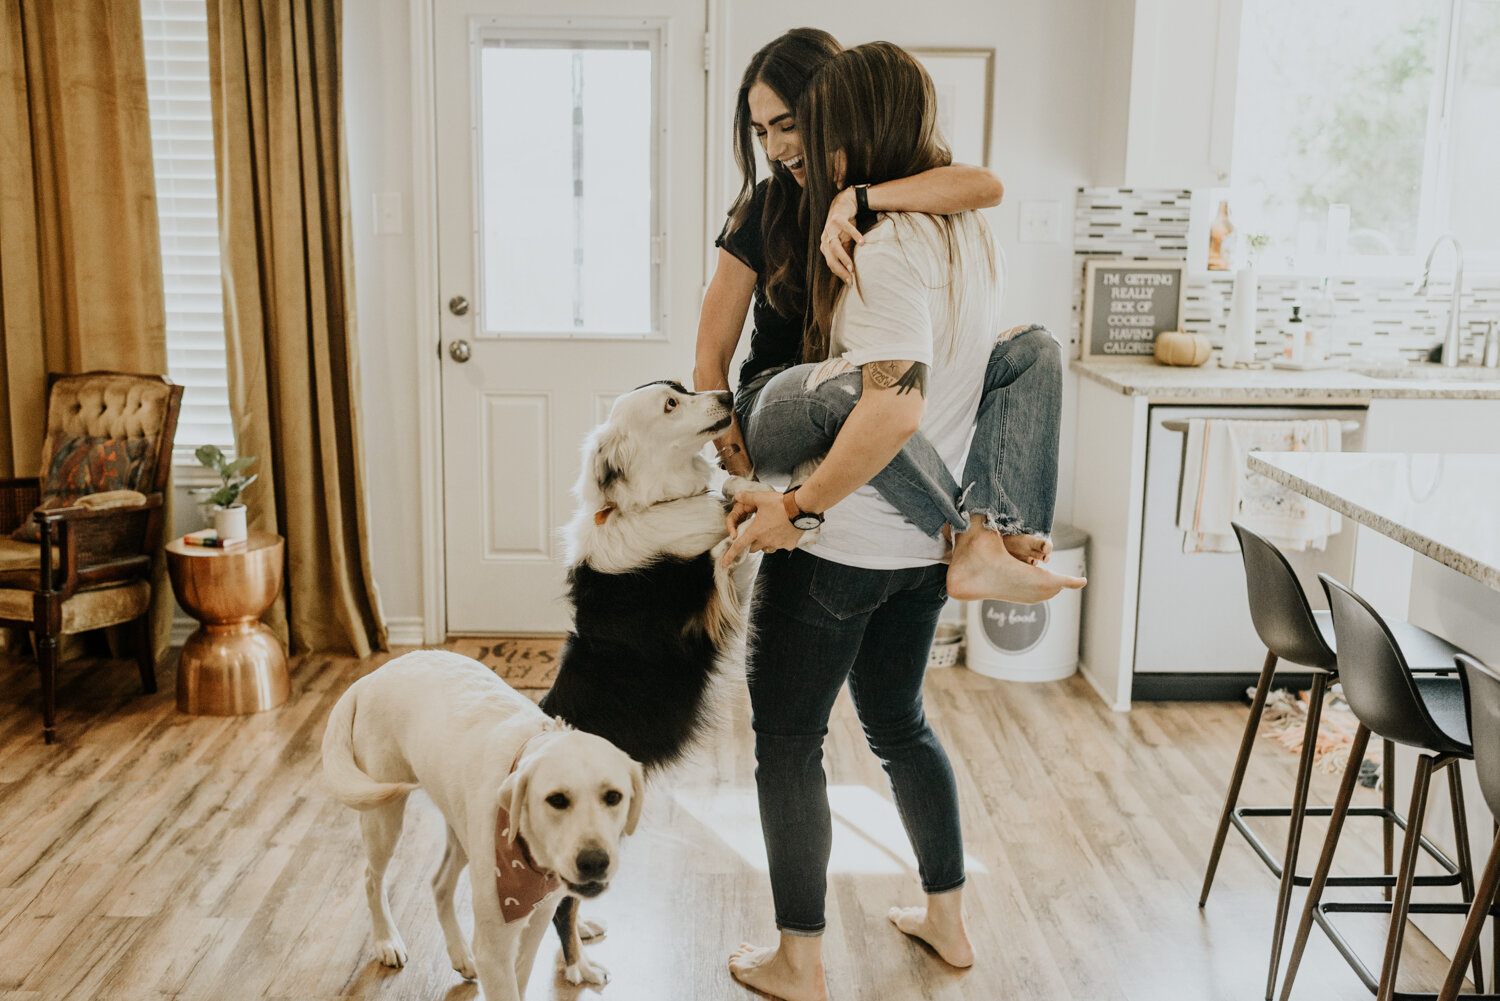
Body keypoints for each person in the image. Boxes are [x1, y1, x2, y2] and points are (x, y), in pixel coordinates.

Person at [721, 41, 1020, 1001]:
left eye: (815, 129)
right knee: (898, 720)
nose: (801, 150)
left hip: (843, 539)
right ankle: (947, 918)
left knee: (787, 738)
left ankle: (798, 961)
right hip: (925, 549)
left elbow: (889, 409)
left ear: (856, 130)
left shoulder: (886, 243)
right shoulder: (965, 233)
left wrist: (798, 507)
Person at [694, 28, 1083, 602]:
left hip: (846, 389)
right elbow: (709, 359)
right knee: (864, 391)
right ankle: (969, 534)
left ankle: (1004, 529)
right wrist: (739, 471)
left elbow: (987, 186)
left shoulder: (883, 197)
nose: (774, 150)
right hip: (774, 401)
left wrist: (857, 198)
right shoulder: (762, 211)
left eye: (787, 124)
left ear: (833, 112)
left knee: (1034, 348)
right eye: (760, 132)